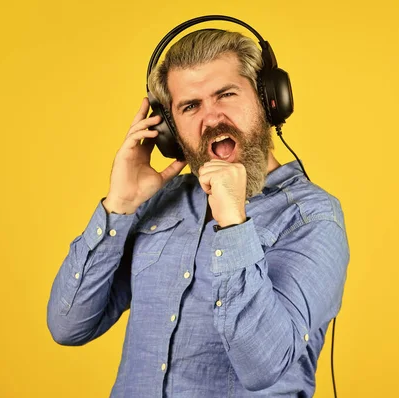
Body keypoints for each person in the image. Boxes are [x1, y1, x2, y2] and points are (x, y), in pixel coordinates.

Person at [47, 26, 349, 397]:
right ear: (170, 130)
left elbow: (264, 364)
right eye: (190, 106)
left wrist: (233, 224)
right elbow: (68, 325)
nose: (212, 118)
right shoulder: (161, 201)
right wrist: (119, 207)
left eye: (226, 94)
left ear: (268, 100)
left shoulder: (313, 218)